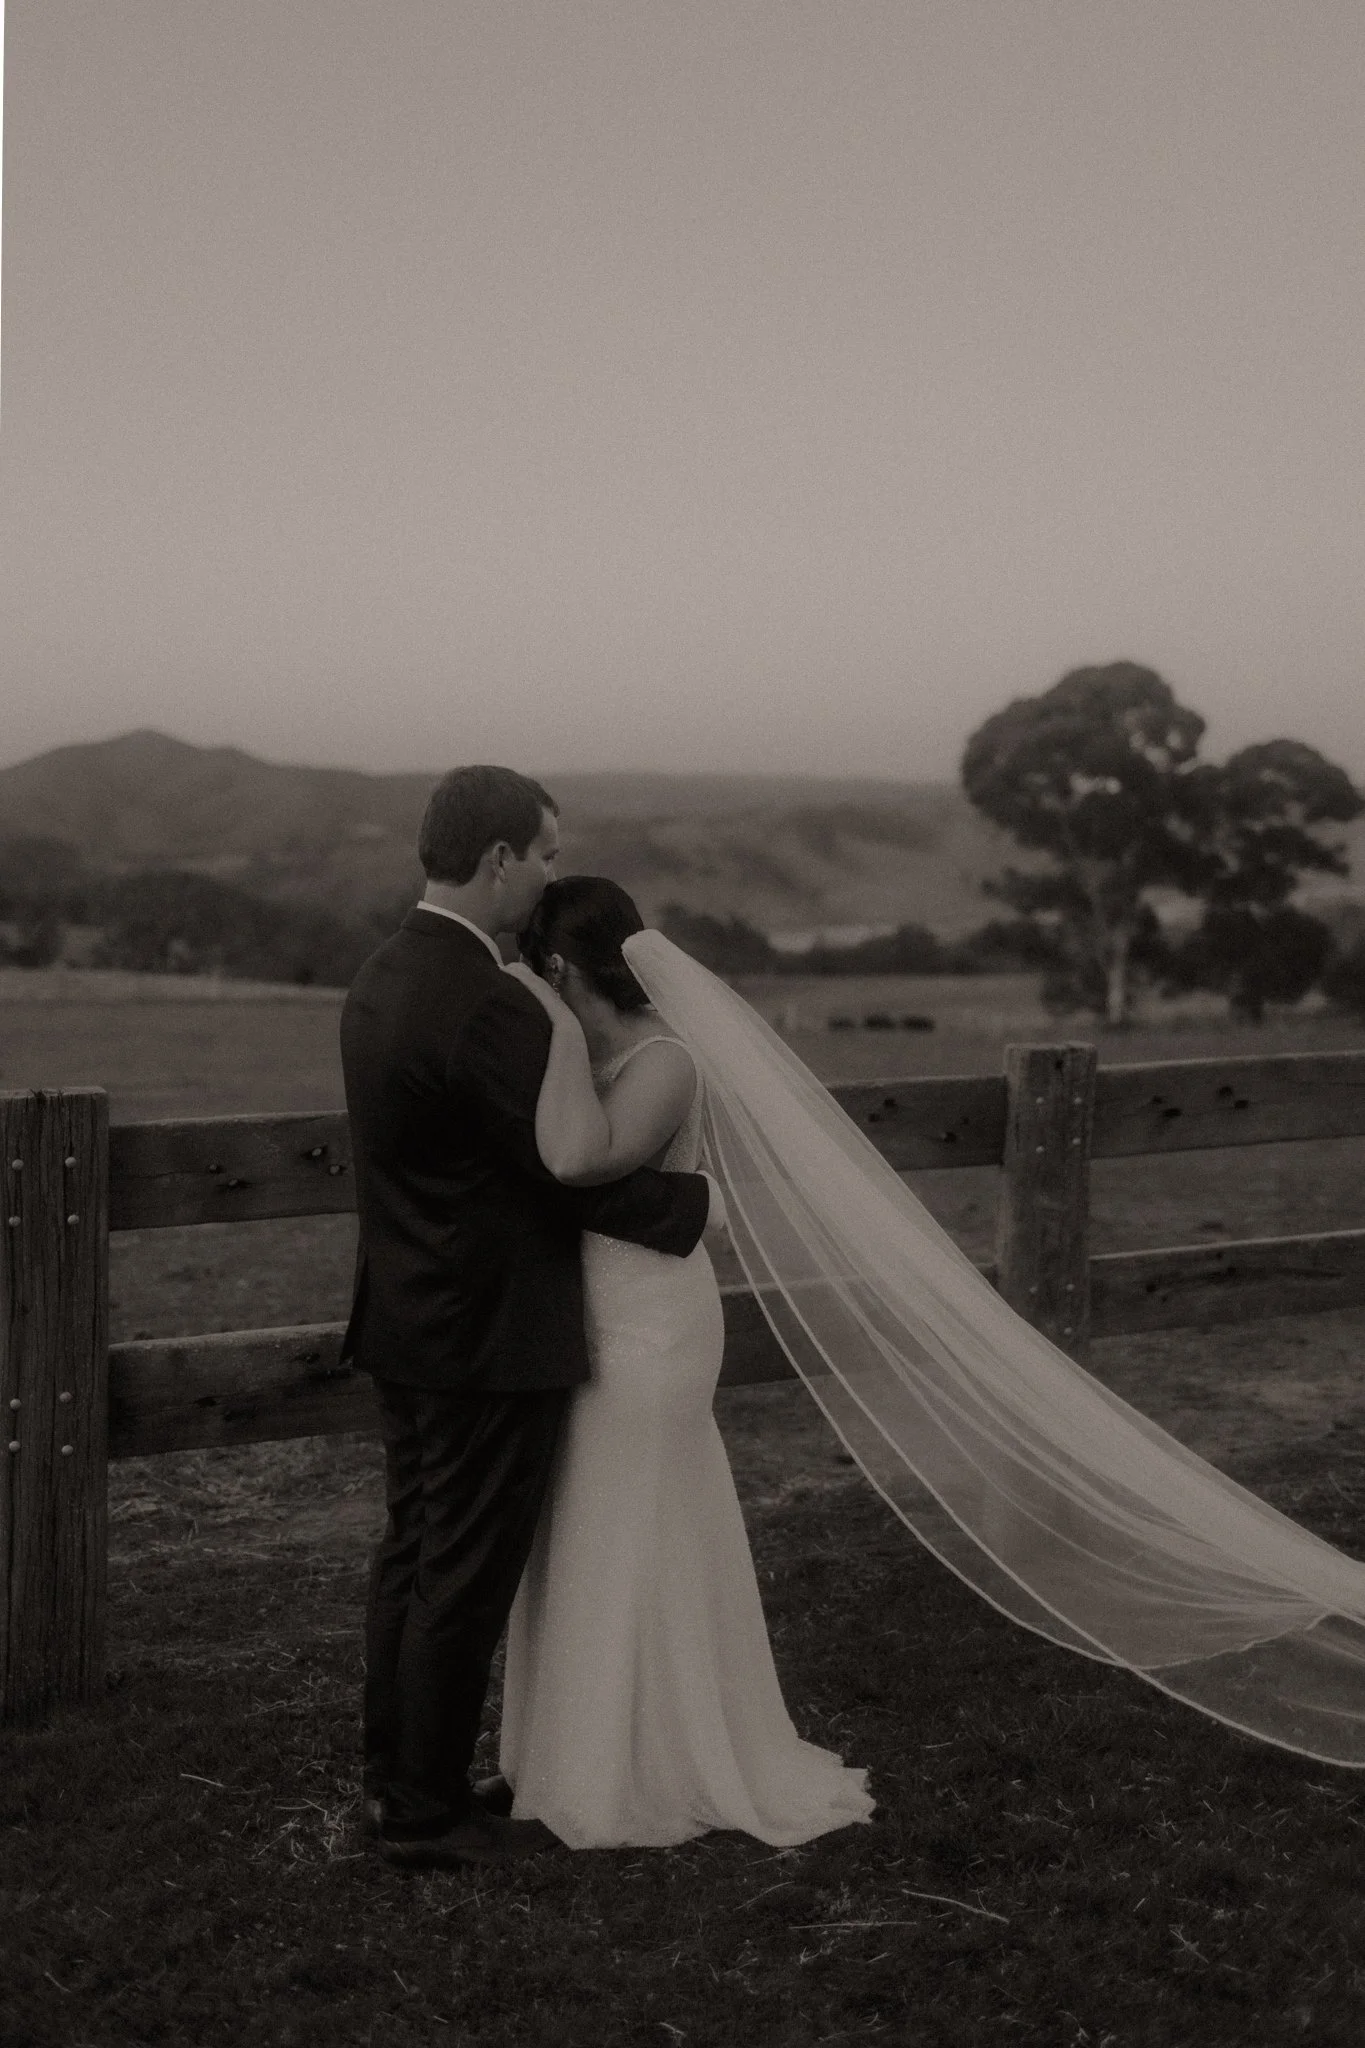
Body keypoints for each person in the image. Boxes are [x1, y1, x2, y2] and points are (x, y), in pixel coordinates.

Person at [339, 770, 715, 1870]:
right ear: (500, 858)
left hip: (405, 1316)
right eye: (547, 852)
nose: (553, 870)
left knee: (411, 1554)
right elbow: (570, 1173)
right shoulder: (497, 1002)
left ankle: (394, 1773)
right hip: (485, 1333)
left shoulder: (381, 972)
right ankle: (424, 1810)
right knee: (460, 1570)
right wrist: (695, 1203)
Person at [490, 875, 875, 1848]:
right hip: (596, 1310)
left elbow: (578, 1163)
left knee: (639, 1514)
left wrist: (551, 1026)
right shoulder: (587, 1050)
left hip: (650, 1322)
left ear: (562, 967)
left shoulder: (666, 1060)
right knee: (590, 1520)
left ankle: (655, 1759)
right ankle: (581, 1748)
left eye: (536, 969)